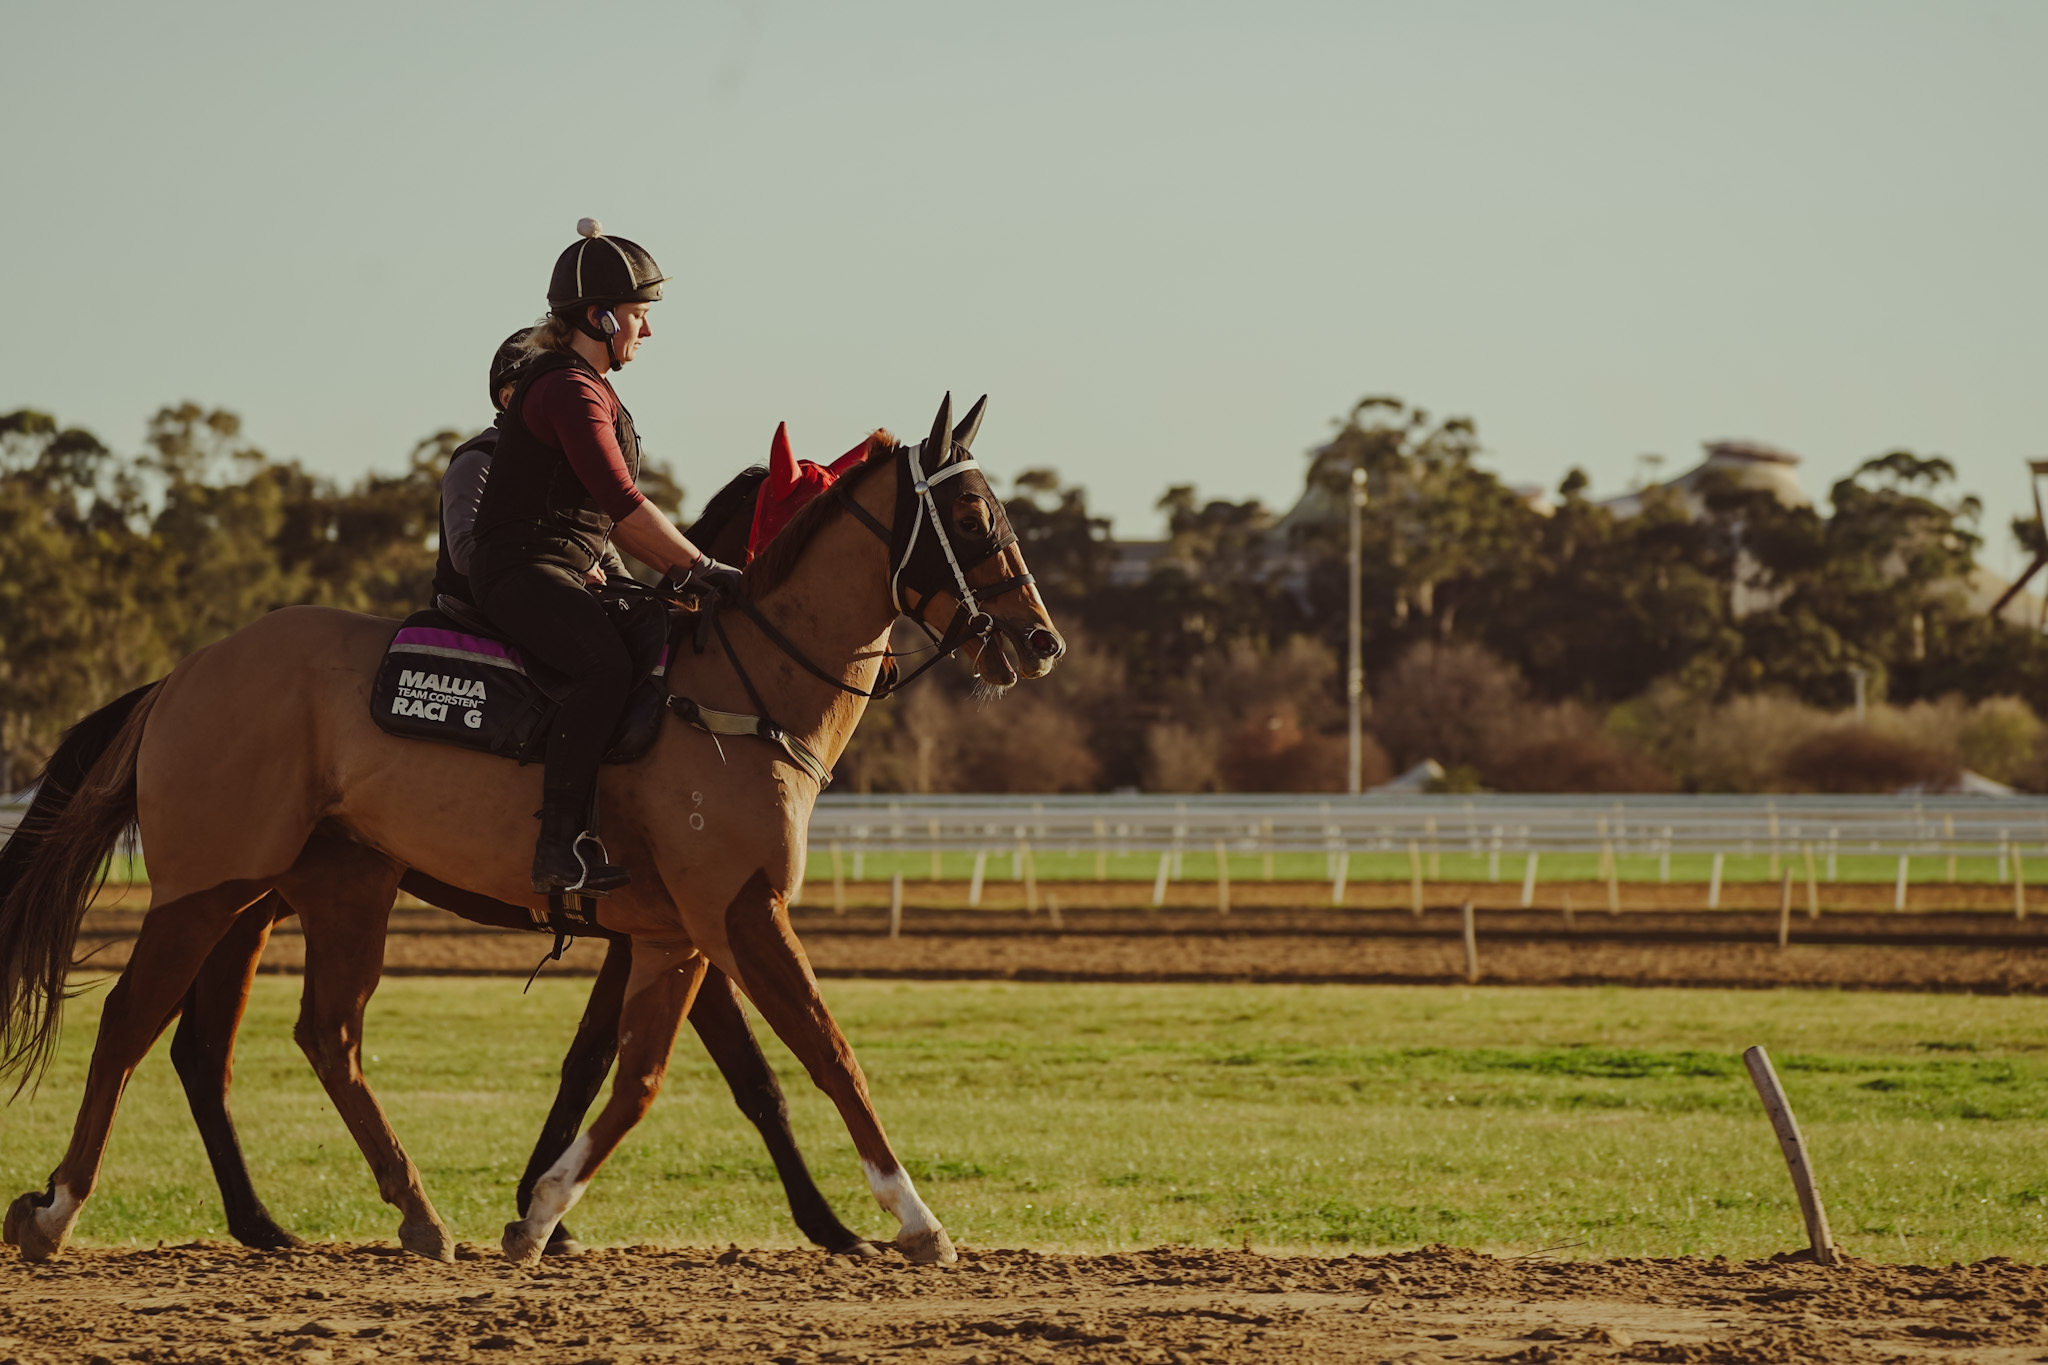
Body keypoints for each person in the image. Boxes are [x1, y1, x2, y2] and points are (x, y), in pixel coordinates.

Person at [470, 219, 743, 895]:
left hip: (562, 568)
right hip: (519, 570)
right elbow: (622, 505)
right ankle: (558, 846)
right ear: (600, 316)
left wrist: (686, 573)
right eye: (638, 315)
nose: (645, 332)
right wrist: (701, 570)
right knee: (604, 665)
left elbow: (613, 522)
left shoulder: (591, 386)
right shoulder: (568, 388)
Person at [432, 329, 625, 608]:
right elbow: (465, 555)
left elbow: (599, 549)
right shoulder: (476, 462)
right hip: (483, 611)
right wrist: (568, 567)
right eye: (542, 387)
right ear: (508, 399)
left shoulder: (565, 469)